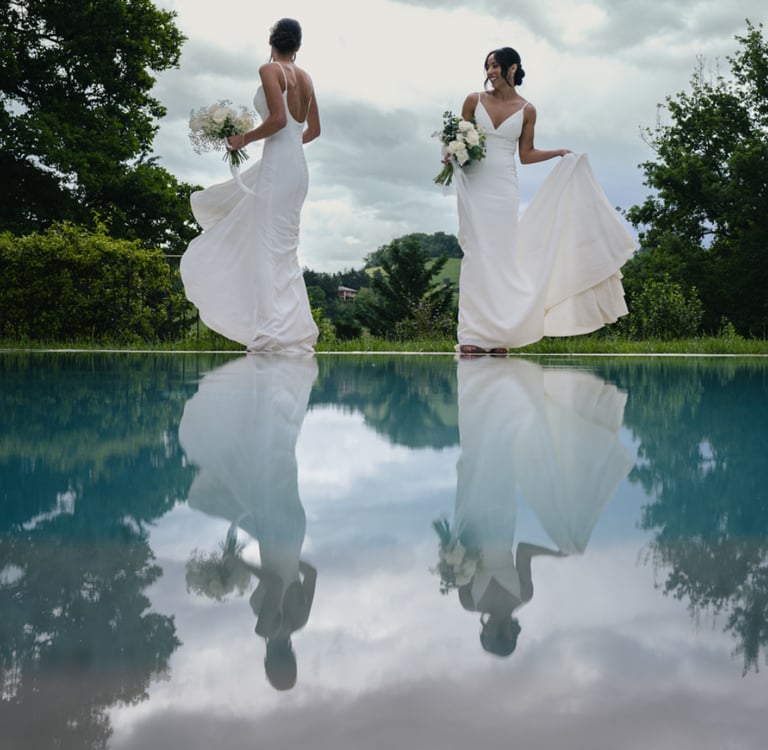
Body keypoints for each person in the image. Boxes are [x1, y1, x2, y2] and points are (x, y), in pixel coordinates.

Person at [452, 47, 635, 354]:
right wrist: (450, 153)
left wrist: (558, 153)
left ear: (513, 68)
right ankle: (472, 335)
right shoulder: (474, 100)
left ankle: (500, 335)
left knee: (501, 257)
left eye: (496, 66)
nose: (490, 72)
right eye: (487, 66)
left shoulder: (528, 110)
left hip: (504, 187)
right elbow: (457, 140)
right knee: (476, 254)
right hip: (474, 184)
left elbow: (525, 155)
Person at [180, 18, 320, 353]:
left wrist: (242, 139)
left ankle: (272, 332)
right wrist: (287, 146)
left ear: (271, 40)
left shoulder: (269, 70)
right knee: (284, 248)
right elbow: (312, 131)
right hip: (297, 168)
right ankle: (291, 331)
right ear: (298, 46)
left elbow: (277, 119)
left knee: (266, 247)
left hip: (278, 166)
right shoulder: (307, 78)